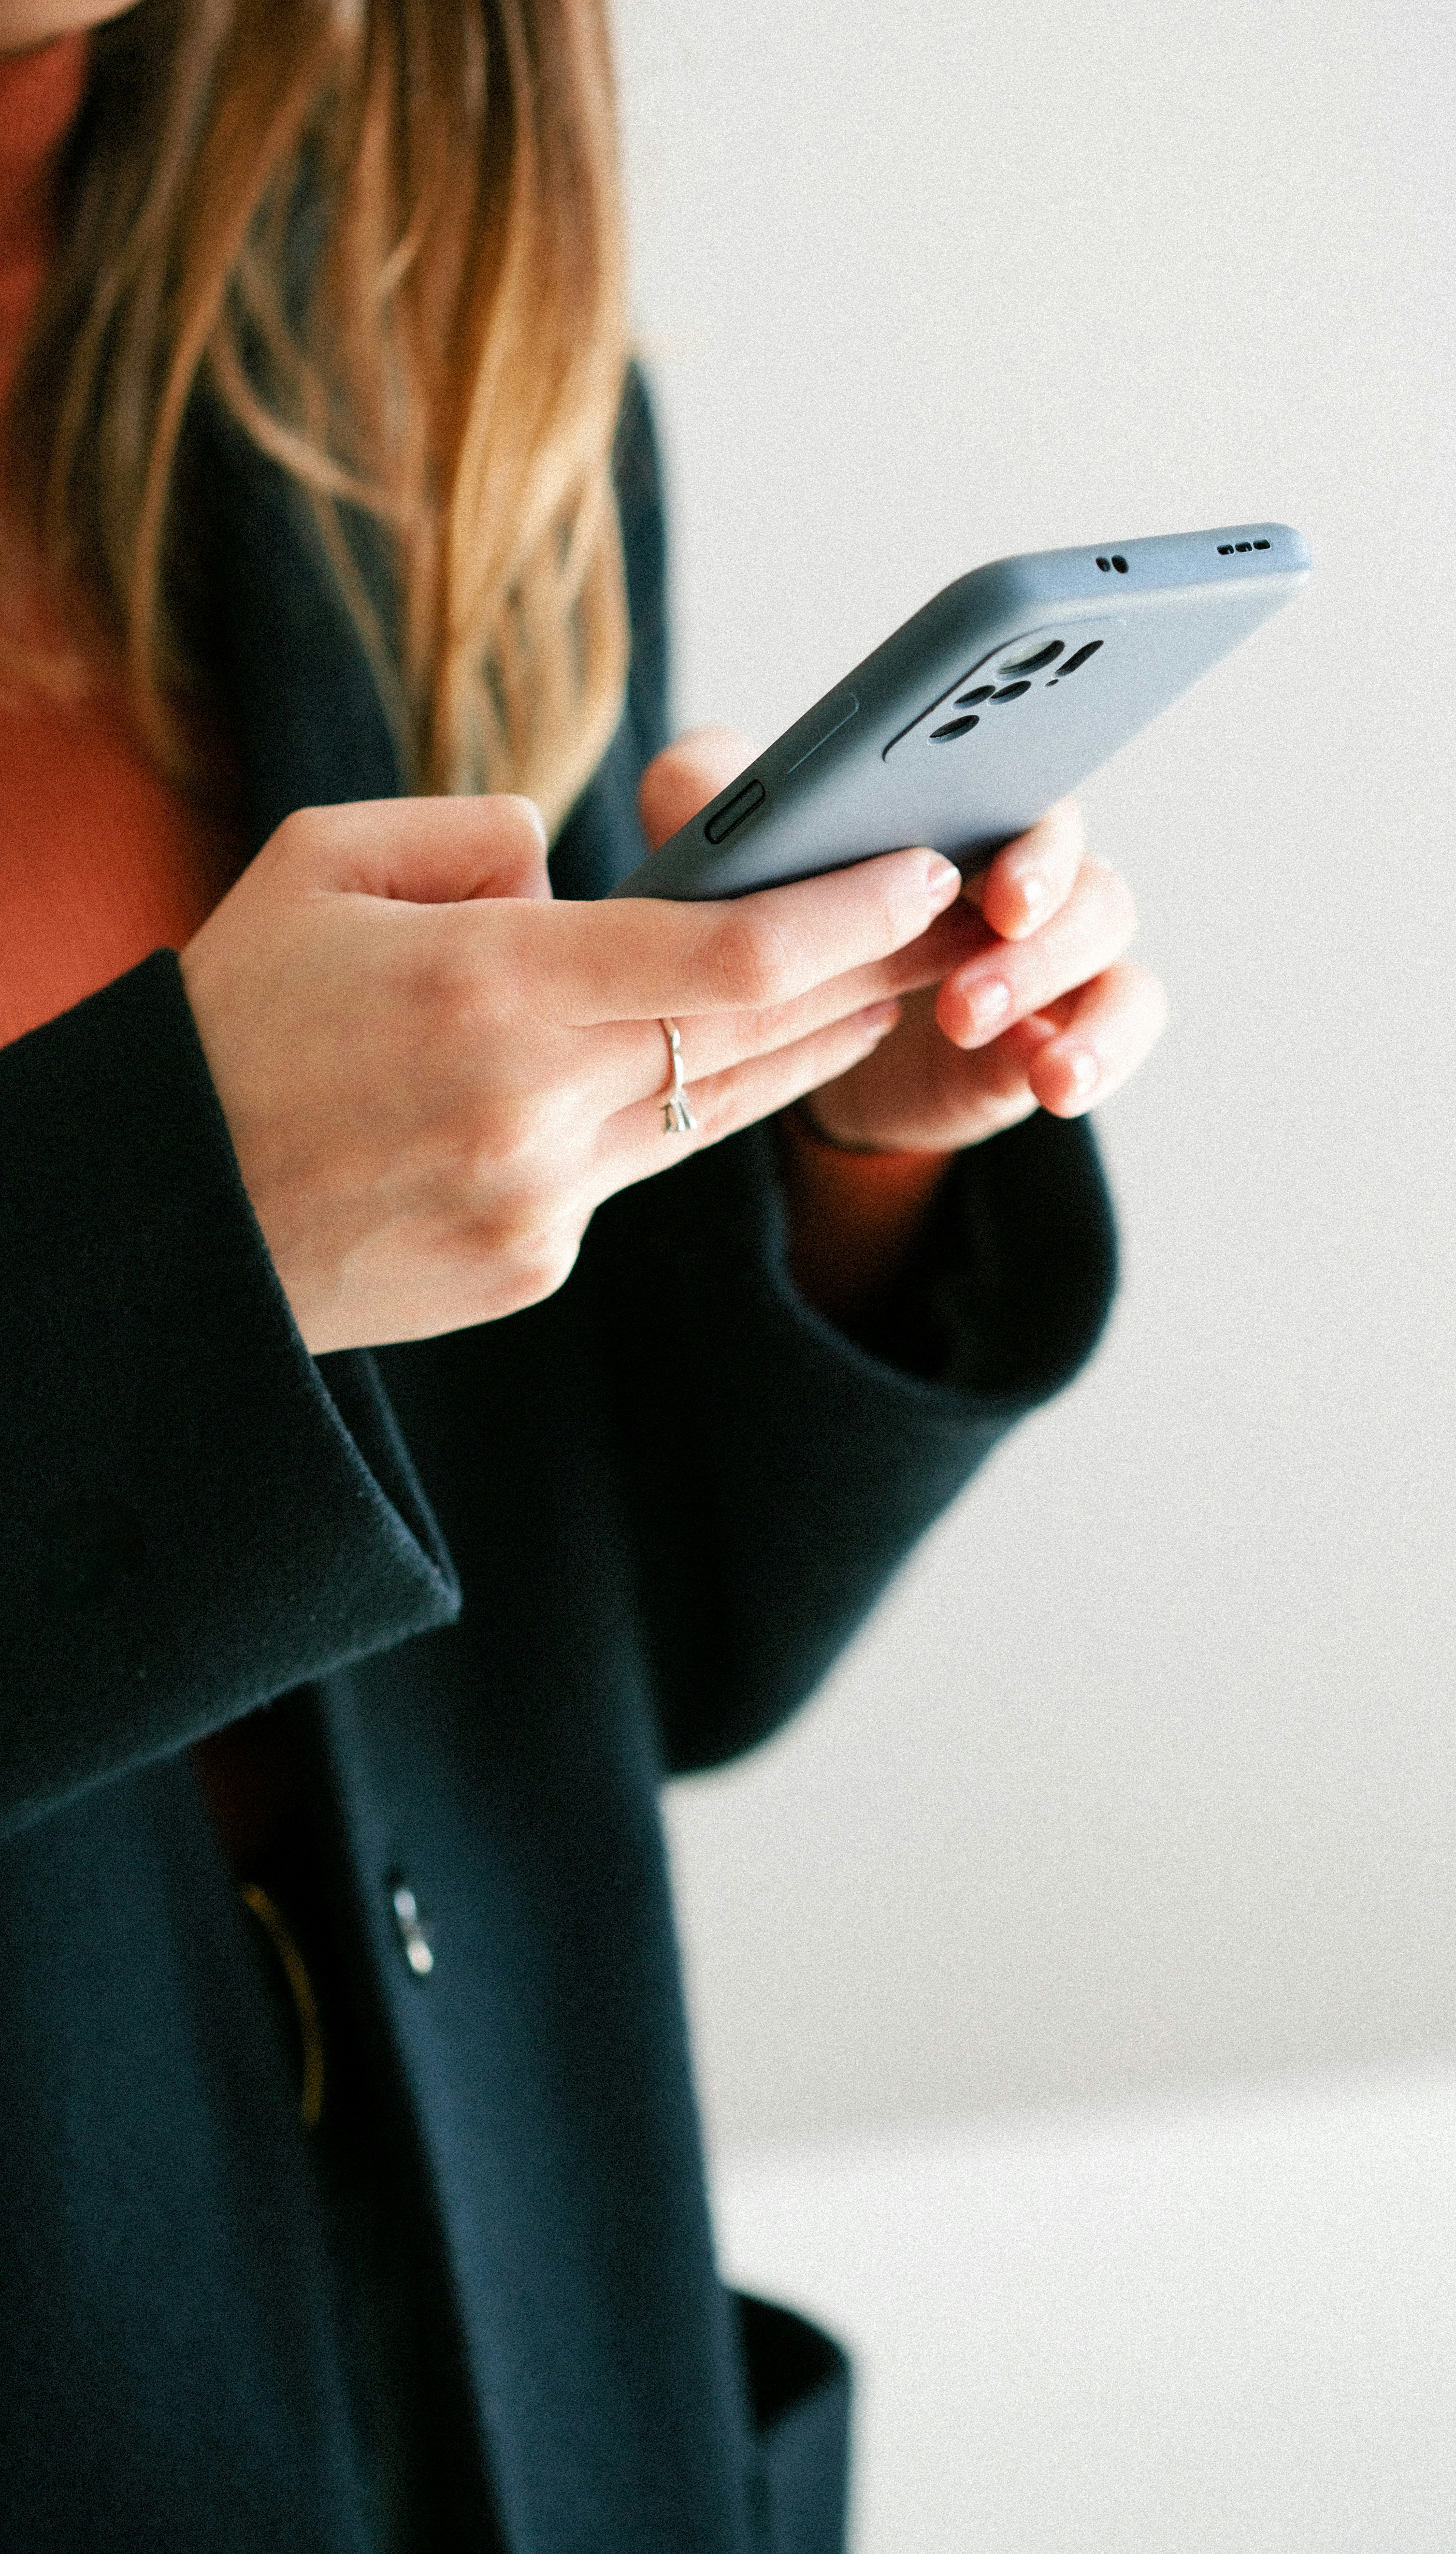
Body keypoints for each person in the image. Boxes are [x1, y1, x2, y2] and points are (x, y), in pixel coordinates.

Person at [0, 3, 1165, 2547]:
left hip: (531, 2416)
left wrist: (849, 1149)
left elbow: (605, 1665)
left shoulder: (414, 349)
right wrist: (185, 1235)